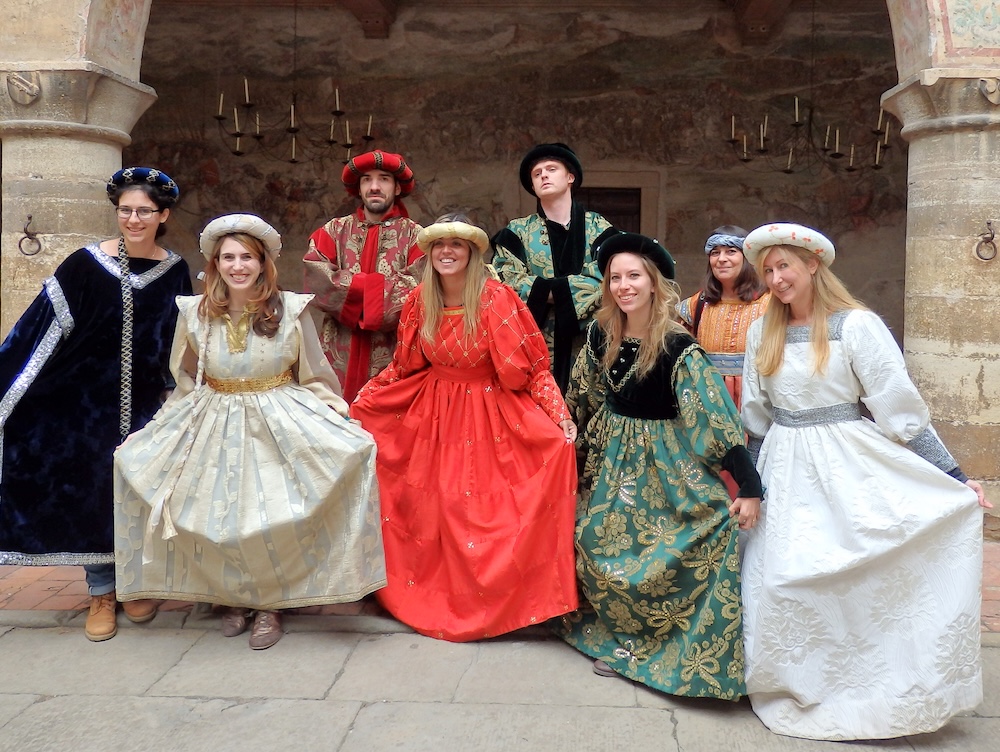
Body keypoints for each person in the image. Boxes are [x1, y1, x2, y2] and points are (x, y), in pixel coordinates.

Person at [739, 222, 990, 740]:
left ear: (813, 265)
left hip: (847, 461)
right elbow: (757, 416)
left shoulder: (856, 326)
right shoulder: (762, 331)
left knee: (852, 571)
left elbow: (899, 408)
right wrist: (750, 485)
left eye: (784, 265)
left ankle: (867, 683)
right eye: (767, 270)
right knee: (782, 577)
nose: (776, 277)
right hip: (783, 464)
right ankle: (792, 679)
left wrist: (953, 478)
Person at [114, 214, 385, 650]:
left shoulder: (291, 310)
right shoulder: (195, 313)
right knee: (220, 512)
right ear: (215, 264)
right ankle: (232, 597)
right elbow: (188, 381)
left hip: (278, 418)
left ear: (263, 263)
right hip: (214, 419)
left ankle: (269, 604)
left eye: (246, 257)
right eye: (228, 258)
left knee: (270, 517)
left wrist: (338, 415)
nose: (237, 266)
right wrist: (157, 429)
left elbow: (313, 373)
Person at [351, 214, 579, 642]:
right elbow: (403, 366)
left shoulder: (497, 298)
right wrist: (362, 401)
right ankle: (431, 598)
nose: (447, 252)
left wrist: (560, 417)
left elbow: (533, 371)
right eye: (439, 246)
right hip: (433, 414)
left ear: (472, 254)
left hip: (489, 413)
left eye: (457, 245)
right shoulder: (420, 300)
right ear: (429, 254)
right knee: (435, 513)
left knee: (477, 515)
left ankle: (490, 605)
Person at [556, 231, 762, 700]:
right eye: (615, 278)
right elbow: (580, 396)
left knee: (686, 546)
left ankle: (667, 648)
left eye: (634, 277)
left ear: (654, 283)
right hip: (610, 457)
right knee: (591, 542)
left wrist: (748, 485)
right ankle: (618, 639)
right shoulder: (599, 332)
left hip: (665, 463)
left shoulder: (677, 347)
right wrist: (563, 434)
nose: (624, 286)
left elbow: (711, 415)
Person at [0, 167, 191, 641]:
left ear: (162, 214)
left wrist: (180, 391)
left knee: (141, 490)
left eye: (144, 211)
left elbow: (183, 337)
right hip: (79, 405)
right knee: (89, 490)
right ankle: (101, 590)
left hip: (147, 402)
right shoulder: (85, 265)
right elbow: (38, 327)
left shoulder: (176, 269)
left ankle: (135, 583)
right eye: (125, 209)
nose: (133, 218)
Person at [491, 143, 617, 393]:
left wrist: (546, 291)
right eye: (537, 174)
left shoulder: (598, 228)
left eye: (551, 169)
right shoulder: (516, 233)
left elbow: (607, 274)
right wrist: (565, 292)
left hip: (591, 341)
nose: (543, 175)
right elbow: (506, 282)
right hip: (534, 342)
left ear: (570, 177)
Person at [303, 149, 425, 402]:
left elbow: (420, 286)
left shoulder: (417, 237)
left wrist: (353, 291)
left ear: (398, 188)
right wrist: (376, 292)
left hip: (396, 351)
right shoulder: (333, 231)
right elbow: (317, 278)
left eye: (383, 179)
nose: (374, 186)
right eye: (367, 180)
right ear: (358, 189)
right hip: (339, 348)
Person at [677, 225, 769, 409]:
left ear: (747, 258)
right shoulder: (697, 304)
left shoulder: (770, 304)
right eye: (715, 253)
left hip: (757, 400)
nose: (721, 259)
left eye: (731, 252)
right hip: (709, 400)